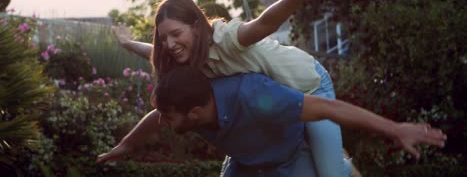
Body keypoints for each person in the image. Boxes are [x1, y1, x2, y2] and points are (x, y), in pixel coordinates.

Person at [114, 0, 356, 176]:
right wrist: (127, 43)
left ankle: (343, 165)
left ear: (197, 27)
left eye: (176, 34)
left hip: (309, 85)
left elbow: (264, 23)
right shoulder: (186, 57)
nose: (169, 44)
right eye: (164, 38)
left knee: (330, 173)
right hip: (278, 102)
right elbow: (155, 52)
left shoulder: (226, 40)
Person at [97, 65, 447, 177]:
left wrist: (395, 129)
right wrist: (127, 145)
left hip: (292, 157)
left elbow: (330, 109)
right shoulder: (189, 107)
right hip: (247, 163)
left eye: (168, 116)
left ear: (194, 114)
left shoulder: (255, 96)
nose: (163, 121)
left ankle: (342, 167)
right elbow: (153, 119)